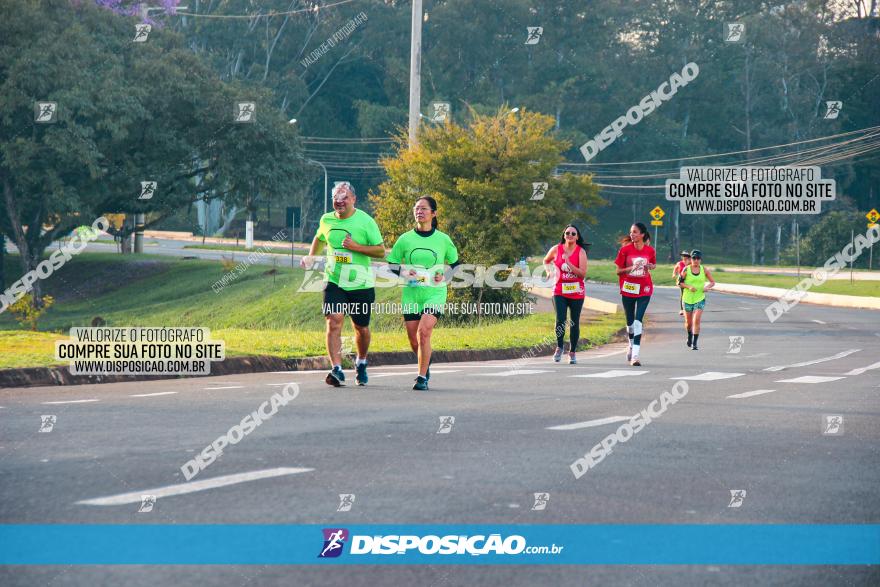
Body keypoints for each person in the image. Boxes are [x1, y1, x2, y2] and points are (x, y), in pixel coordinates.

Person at [301, 181, 385, 387]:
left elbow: (380, 251)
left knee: (361, 328)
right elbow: (320, 238)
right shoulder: (326, 219)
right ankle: (337, 369)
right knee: (334, 321)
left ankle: (362, 361)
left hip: (360, 284)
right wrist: (312, 256)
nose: (340, 201)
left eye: (345, 197)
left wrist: (356, 247)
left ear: (353, 199)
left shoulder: (365, 221)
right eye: (336, 198)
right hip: (334, 280)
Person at [387, 196, 459, 391]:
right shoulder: (405, 239)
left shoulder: (443, 239)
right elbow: (392, 264)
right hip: (411, 293)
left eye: (424, 208)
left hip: (434, 293)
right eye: (417, 208)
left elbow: (455, 265)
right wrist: (404, 272)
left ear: (433, 213)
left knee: (423, 332)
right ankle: (425, 363)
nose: (419, 211)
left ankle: (421, 377)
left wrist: (444, 277)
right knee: (414, 339)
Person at [542, 224, 588, 364]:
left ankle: (572, 352)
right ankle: (560, 346)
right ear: (564, 235)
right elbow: (546, 260)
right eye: (567, 233)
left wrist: (569, 263)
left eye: (573, 234)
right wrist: (549, 271)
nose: (570, 235)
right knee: (560, 319)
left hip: (576, 291)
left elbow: (582, 274)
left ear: (577, 237)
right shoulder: (556, 249)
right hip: (559, 290)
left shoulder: (581, 252)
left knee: (574, 322)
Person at [614, 222, 656, 366]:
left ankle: (635, 356)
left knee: (638, 322)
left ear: (642, 234)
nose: (632, 234)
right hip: (629, 288)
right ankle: (631, 345)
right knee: (630, 323)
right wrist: (632, 267)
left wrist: (651, 266)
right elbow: (618, 271)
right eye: (631, 232)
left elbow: (653, 264)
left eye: (635, 232)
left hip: (644, 288)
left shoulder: (650, 250)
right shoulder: (625, 250)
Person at [679, 249, 715, 350]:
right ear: (691, 259)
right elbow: (679, 283)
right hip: (687, 299)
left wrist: (707, 287)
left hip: (700, 298)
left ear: (701, 260)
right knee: (688, 323)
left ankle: (695, 343)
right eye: (694, 258)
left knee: (697, 320)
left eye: (698, 258)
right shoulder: (686, 270)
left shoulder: (704, 270)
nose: (696, 260)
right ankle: (689, 336)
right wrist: (688, 286)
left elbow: (712, 282)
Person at [672, 251, 691, 316]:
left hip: (689, 280)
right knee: (683, 294)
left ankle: (690, 309)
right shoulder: (679, 263)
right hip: (681, 280)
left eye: (686, 256)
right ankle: (682, 309)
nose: (684, 257)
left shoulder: (691, 263)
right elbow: (675, 268)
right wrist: (674, 274)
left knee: (689, 294)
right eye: (683, 256)